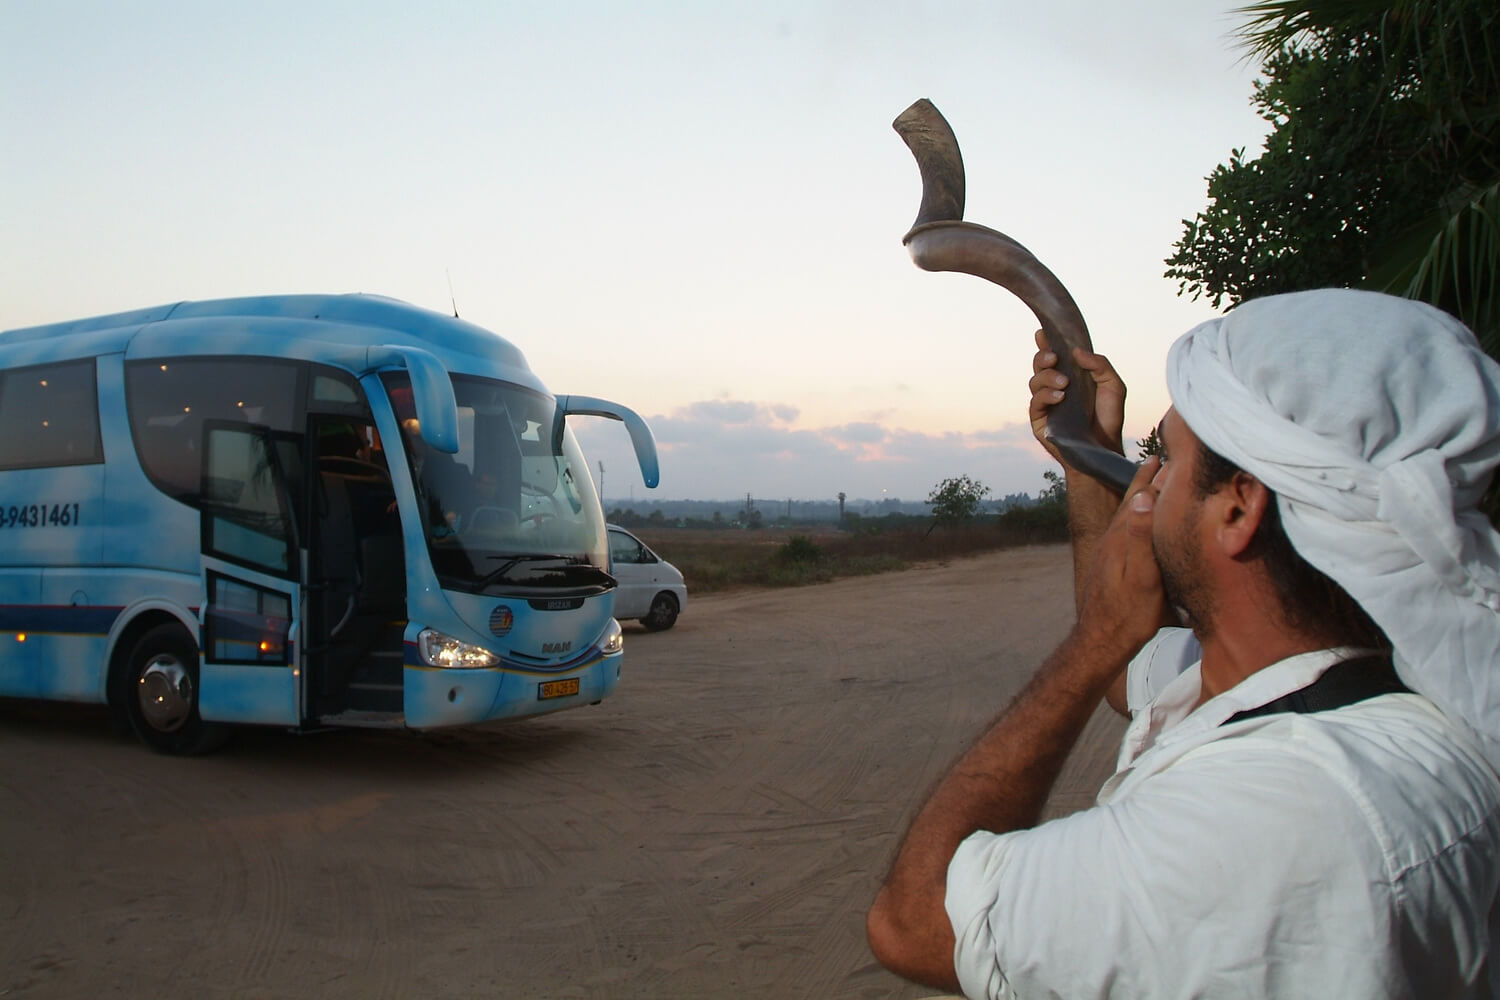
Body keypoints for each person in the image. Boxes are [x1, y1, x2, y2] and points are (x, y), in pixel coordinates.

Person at [866, 289, 1500, 998]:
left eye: (1165, 458)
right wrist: (1086, 461)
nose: (1147, 482)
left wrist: (1091, 639)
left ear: (1238, 505)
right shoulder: (1381, 682)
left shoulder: (1273, 815)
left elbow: (915, 923)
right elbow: (1130, 679)